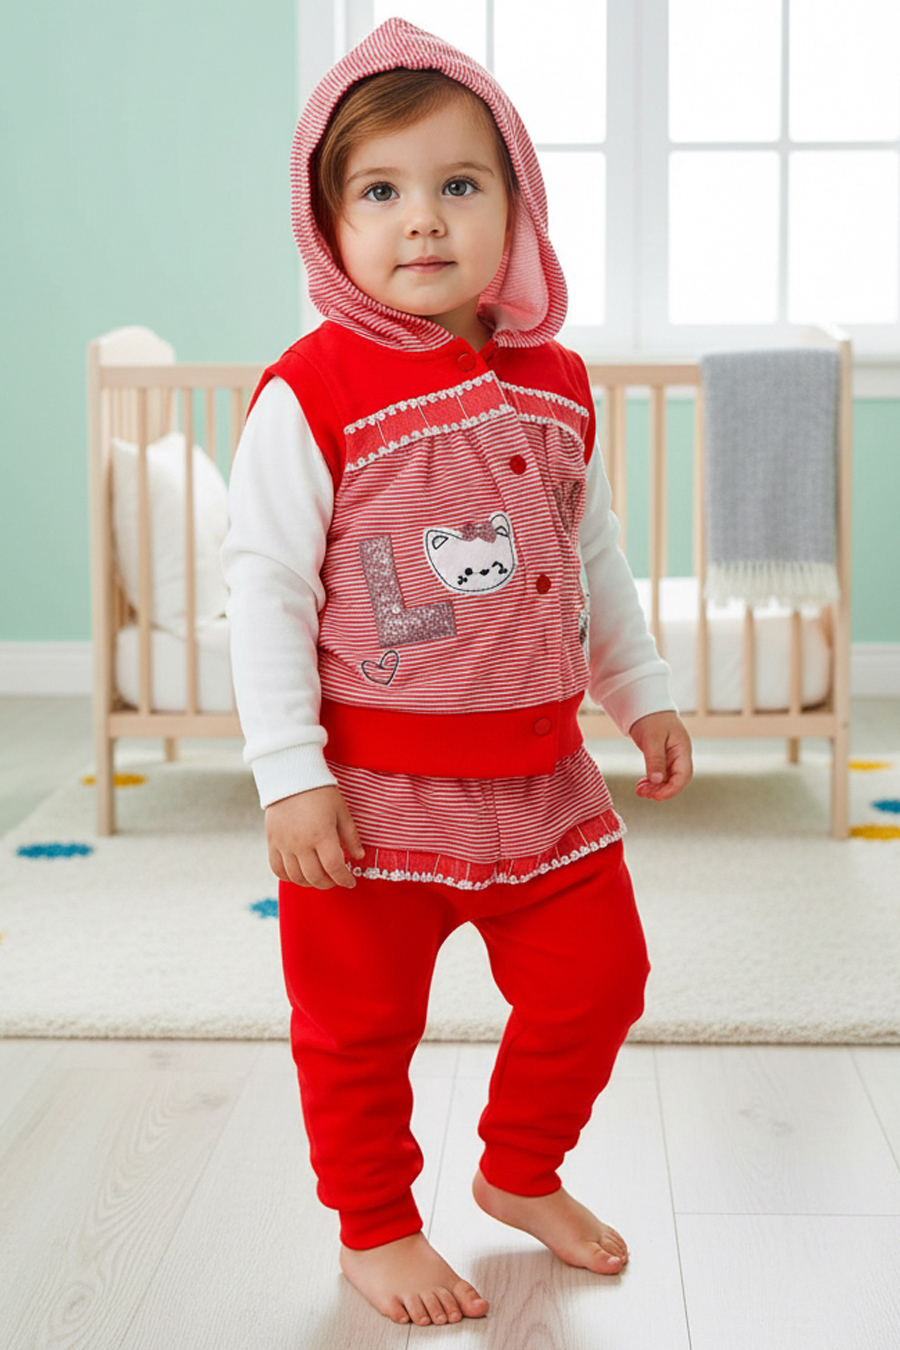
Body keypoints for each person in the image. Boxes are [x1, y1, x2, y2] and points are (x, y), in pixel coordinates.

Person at [222, 15, 692, 1330]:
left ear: (516, 208)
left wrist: (641, 689)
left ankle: (520, 1168)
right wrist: (289, 774)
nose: (422, 219)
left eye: (460, 185)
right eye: (380, 191)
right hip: (371, 799)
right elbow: (264, 588)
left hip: (545, 780)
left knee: (601, 979)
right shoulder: (311, 393)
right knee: (357, 1027)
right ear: (327, 225)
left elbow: (589, 555)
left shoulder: (557, 383)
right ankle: (374, 1223)